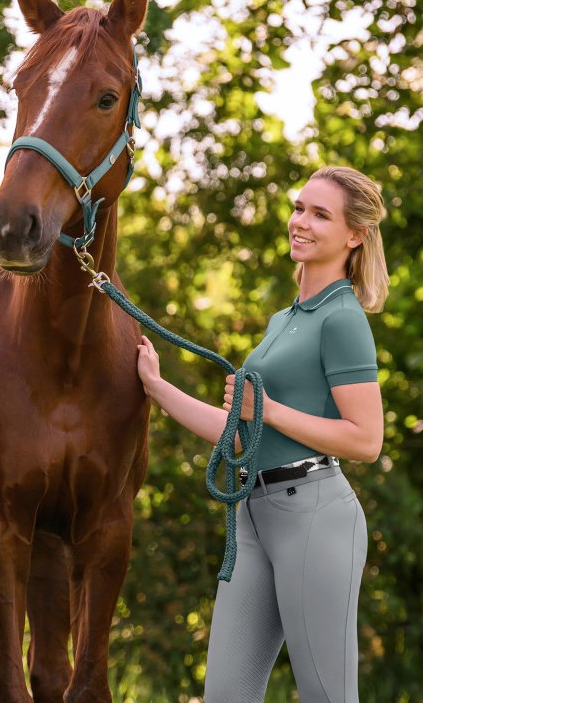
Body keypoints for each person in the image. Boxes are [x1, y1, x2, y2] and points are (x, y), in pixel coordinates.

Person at [135, 166, 389, 702]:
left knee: (326, 696)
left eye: (320, 215)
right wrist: (157, 388)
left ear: (355, 235)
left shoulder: (342, 318)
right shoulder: (284, 319)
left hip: (314, 516)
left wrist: (269, 411)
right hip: (253, 516)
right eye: (299, 208)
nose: (301, 222)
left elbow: (366, 441)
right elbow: (237, 437)